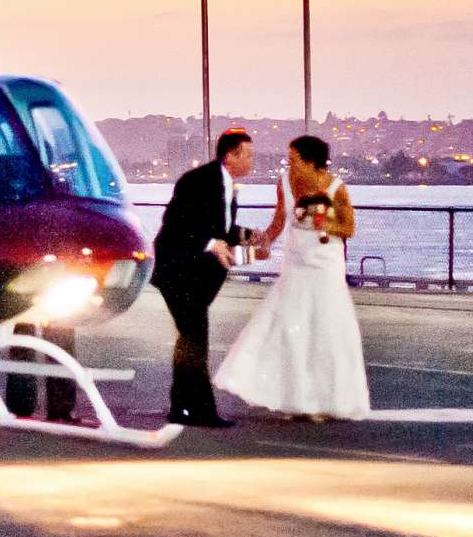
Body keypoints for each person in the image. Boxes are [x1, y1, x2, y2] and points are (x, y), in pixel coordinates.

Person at [214, 135, 369, 420]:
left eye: (295, 160)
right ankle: (293, 399)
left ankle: (324, 401)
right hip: (295, 263)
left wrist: (321, 221)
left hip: (325, 266)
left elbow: (349, 227)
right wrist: (264, 241)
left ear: (311, 162)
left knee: (324, 330)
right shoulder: (284, 182)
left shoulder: (336, 187)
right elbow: (278, 220)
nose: (289, 164)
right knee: (289, 329)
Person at [150, 129, 265, 428]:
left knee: (190, 337)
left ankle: (180, 407)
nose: (253, 160)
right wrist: (210, 243)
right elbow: (176, 225)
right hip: (177, 270)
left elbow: (221, 227)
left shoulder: (227, 185)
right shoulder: (197, 181)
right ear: (231, 155)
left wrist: (248, 235)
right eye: (248, 154)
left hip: (195, 275)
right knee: (195, 336)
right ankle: (201, 410)